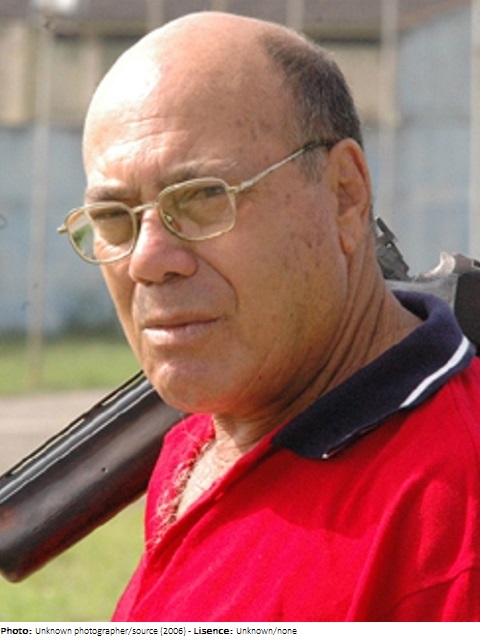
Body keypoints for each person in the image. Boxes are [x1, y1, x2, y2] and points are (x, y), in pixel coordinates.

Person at [59, 11, 480, 621]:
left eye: (203, 197)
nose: (146, 260)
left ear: (345, 195)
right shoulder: (205, 430)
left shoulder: (453, 535)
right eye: (113, 218)